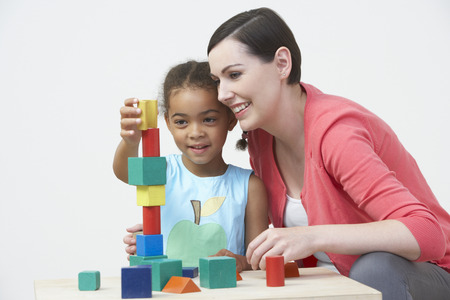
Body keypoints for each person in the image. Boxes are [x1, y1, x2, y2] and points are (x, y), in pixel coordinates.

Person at [207, 7, 450, 299]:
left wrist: (312, 236)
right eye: (217, 81)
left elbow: (428, 233)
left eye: (234, 74)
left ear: (282, 64)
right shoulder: (261, 137)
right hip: (337, 286)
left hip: (423, 276)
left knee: (374, 268)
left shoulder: (337, 133)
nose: (222, 94)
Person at [113, 60, 268, 271]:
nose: (195, 133)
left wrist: (242, 263)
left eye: (209, 119)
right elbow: (125, 172)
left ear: (230, 119)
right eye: (182, 122)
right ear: (167, 123)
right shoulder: (163, 170)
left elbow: (258, 260)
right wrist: (131, 141)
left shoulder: (250, 186)